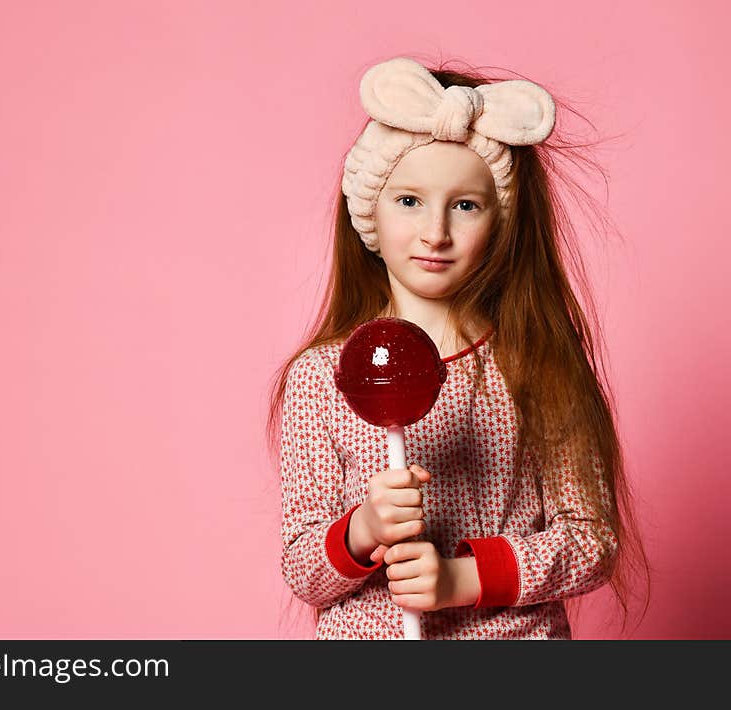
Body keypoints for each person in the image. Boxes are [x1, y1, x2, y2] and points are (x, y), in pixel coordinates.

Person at [266, 56, 650, 639]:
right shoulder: (321, 377)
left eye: (465, 205)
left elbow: (590, 539)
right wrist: (364, 529)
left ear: (501, 220)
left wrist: (461, 580)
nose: (436, 232)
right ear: (369, 206)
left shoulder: (535, 364)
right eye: (409, 201)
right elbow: (303, 569)